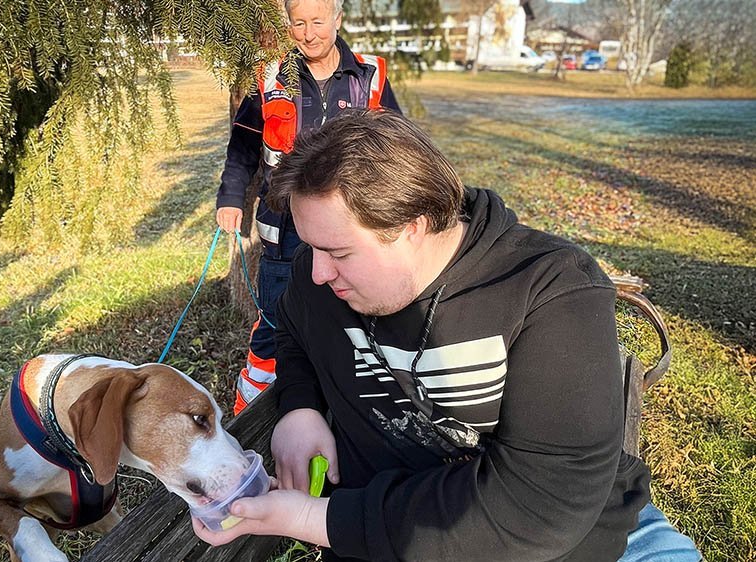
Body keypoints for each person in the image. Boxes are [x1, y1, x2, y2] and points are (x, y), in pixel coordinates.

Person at [193, 110, 701, 561]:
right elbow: (295, 332)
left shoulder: (549, 288)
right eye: (311, 246)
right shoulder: (317, 272)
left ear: (415, 225)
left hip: (584, 543)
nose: (318, 272)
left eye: (340, 253)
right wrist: (300, 409)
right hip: (391, 537)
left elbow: (541, 506)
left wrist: (309, 519)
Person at [215, 0, 400, 415]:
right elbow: (243, 146)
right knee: (277, 321)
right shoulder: (269, 76)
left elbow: (395, 146)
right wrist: (230, 197)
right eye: (299, 23)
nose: (309, 32)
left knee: (351, 316)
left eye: (318, 21)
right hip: (283, 230)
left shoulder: (370, 76)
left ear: (337, 19)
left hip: (349, 229)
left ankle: (345, 406)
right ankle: (252, 412)